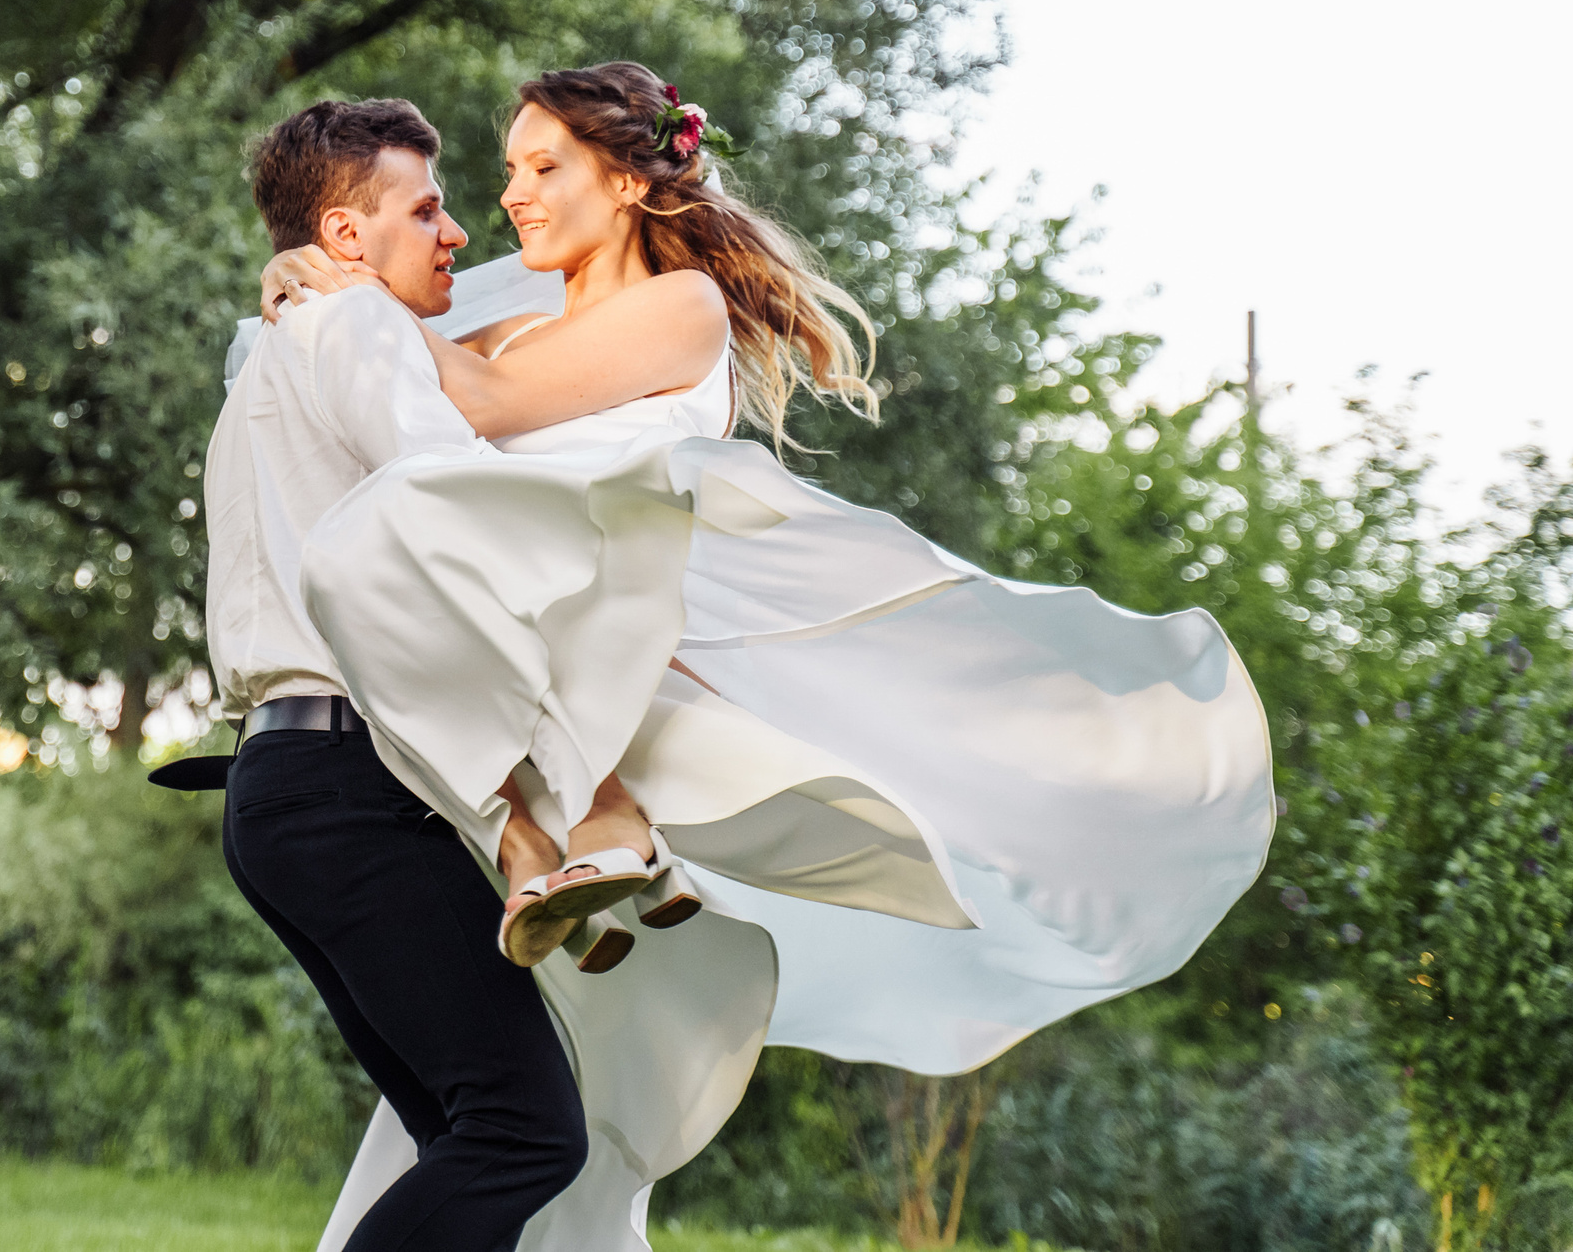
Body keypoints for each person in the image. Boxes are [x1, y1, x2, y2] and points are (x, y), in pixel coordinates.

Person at [260, 62, 1276, 1249]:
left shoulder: (678, 306)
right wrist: (323, 280)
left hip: (608, 649)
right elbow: (384, 367)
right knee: (509, 1119)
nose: (512, 199)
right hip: (524, 691)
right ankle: (577, 833)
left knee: (532, 1123)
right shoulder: (526, 316)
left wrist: (344, 295)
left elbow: (466, 398)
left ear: (631, 181)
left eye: (545, 168)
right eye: (505, 172)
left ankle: (604, 820)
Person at [183, 95, 588, 1252]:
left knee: (462, 1136)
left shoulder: (274, 351)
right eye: (427, 207)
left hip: (287, 791)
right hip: (349, 790)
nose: (457, 230)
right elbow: (454, 503)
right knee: (523, 1134)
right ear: (346, 236)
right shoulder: (349, 327)